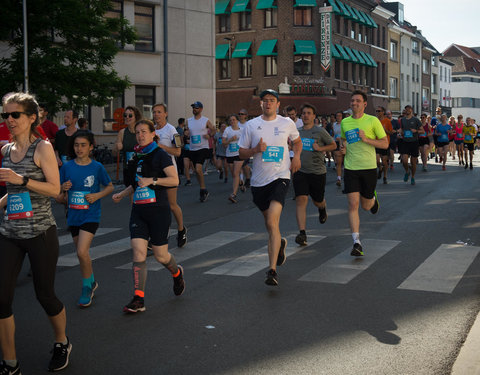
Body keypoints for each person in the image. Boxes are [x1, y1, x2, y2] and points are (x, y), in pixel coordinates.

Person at [0, 92, 72, 373]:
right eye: (5, 115)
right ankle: (10, 361)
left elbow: (55, 190)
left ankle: (61, 341)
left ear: (32, 118)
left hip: (40, 232)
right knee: (2, 299)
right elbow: (12, 191)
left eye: (14, 115)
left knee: (45, 295)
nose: (9, 120)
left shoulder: (42, 148)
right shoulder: (6, 150)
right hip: (9, 232)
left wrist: (23, 179)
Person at [112, 119, 185, 313]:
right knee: (138, 253)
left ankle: (177, 273)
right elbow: (137, 183)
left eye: (144, 131)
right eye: (137, 132)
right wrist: (123, 193)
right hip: (139, 211)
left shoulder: (161, 155)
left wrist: (153, 180)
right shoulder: (136, 155)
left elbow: (174, 180)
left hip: (159, 211)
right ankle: (139, 298)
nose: (140, 135)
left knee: (161, 256)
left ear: (153, 134)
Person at [238, 89, 302, 286]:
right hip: (258, 183)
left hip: (280, 177)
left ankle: (271, 270)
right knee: (270, 225)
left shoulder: (286, 123)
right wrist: (255, 150)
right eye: (265, 101)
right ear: (261, 104)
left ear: (278, 104)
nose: (268, 104)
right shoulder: (251, 125)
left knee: (273, 222)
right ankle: (280, 242)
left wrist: (296, 156)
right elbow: (241, 154)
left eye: (272, 101)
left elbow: (297, 142)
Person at [57, 130, 113, 307]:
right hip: (73, 215)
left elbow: (110, 187)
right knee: (82, 255)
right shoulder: (66, 167)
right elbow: (58, 197)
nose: (79, 148)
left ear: (90, 147)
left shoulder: (97, 167)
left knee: (81, 251)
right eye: (76, 145)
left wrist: (97, 196)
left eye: (83, 145)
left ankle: (86, 287)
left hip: (91, 214)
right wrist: (63, 189)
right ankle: (92, 281)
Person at [340, 90, 388, 257]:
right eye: (352, 100)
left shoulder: (372, 121)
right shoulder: (345, 122)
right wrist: (343, 147)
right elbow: (344, 139)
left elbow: (385, 144)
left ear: (364, 104)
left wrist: (366, 139)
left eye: (358, 101)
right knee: (353, 204)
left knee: (366, 206)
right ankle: (356, 242)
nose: (354, 103)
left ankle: (373, 200)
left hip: (368, 168)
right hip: (351, 168)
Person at [293, 103, 336, 246]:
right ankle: (302, 233)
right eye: (303, 113)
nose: (305, 115)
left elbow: (333, 145)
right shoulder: (296, 131)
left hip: (317, 172)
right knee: (301, 199)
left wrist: (321, 148)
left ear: (314, 116)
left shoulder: (320, 131)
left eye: (309, 113)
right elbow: (293, 146)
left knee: (317, 200)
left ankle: (322, 207)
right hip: (300, 171)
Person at [153, 103, 187, 248]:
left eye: (159, 112)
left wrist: (161, 147)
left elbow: (178, 152)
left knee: (171, 205)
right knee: (155, 206)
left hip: (169, 172)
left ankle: (181, 229)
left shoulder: (172, 130)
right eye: (154, 112)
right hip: (154, 172)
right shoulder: (151, 130)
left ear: (166, 114)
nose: (156, 115)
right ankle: (155, 236)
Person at [186, 101, 216, 202]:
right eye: (193, 108)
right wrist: (186, 134)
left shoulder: (205, 120)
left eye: (197, 108)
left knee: (198, 169)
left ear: (201, 109)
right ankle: (202, 188)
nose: (194, 109)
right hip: (192, 148)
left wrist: (210, 135)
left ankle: (203, 190)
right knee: (196, 171)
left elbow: (213, 129)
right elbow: (187, 132)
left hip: (203, 147)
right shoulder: (188, 121)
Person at [115, 106, 142, 190]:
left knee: (142, 195)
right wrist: (117, 147)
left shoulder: (141, 131)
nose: (127, 117)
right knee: (131, 194)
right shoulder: (122, 132)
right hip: (128, 169)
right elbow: (115, 153)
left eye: (130, 115)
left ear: (136, 117)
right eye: (125, 115)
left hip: (141, 167)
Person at [400, 105, 422, 186]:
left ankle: (412, 177)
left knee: (413, 162)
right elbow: (402, 129)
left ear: (411, 110)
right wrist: (400, 132)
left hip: (414, 142)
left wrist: (415, 131)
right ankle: (407, 171)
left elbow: (422, 131)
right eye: (406, 109)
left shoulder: (416, 120)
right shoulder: (402, 120)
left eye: (409, 109)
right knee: (404, 161)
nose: (407, 110)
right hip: (405, 142)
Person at [223, 114, 244, 203]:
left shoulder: (242, 130)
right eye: (230, 120)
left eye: (234, 120)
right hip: (229, 155)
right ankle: (240, 183)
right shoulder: (227, 130)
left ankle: (233, 194)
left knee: (235, 173)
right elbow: (224, 144)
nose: (232, 122)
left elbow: (246, 141)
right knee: (234, 174)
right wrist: (230, 139)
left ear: (237, 121)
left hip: (239, 154)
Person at [375, 107, 393, 184]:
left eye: (379, 111)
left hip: (385, 143)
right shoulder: (374, 121)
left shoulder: (387, 121)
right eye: (376, 111)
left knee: (384, 161)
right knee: (377, 160)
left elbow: (391, 132)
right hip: (376, 142)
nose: (378, 112)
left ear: (383, 112)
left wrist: (385, 130)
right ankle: (380, 168)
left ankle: (385, 176)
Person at [332, 111, 344, 187]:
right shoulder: (334, 125)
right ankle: (339, 179)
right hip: (336, 143)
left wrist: (341, 139)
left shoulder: (345, 124)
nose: (338, 117)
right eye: (337, 116)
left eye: (340, 116)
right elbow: (333, 134)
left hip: (344, 143)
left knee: (345, 162)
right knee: (338, 162)